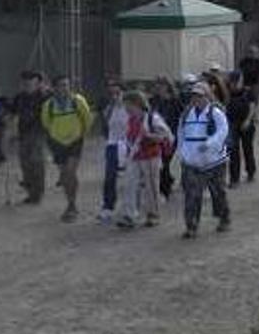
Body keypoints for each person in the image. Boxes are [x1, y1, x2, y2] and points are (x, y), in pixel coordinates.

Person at [177, 83, 231, 239]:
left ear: (207, 96)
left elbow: (223, 131)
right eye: (194, 95)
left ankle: (223, 218)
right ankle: (191, 225)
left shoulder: (216, 113)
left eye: (200, 96)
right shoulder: (186, 114)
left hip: (214, 161)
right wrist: (182, 153)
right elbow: (180, 133)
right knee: (192, 195)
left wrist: (210, 144)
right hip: (191, 162)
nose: (197, 99)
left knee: (218, 192)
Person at [116, 91, 174, 229]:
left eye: (128, 105)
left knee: (151, 186)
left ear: (137, 104)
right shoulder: (131, 119)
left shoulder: (152, 118)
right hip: (134, 156)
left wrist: (149, 136)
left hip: (150, 156)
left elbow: (166, 136)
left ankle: (153, 214)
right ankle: (129, 215)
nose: (126, 108)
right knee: (130, 185)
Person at [40, 76, 92, 223]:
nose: (65, 89)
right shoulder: (49, 105)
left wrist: (80, 135)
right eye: (61, 85)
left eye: (67, 85)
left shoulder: (78, 101)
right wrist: (56, 136)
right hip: (57, 142)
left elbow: (87, 119)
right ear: (55, 88)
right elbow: (46, 123)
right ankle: (70, 202)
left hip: (75, 141)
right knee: (65, 174)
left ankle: (72, 205)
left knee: (70, 172)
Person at [11, 71, 50, 204]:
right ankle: (31, 191)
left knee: (36, 162)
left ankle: (37, 193)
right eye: (25, 82)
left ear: (38, 83)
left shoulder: (44, 97)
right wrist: (11, 132)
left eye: (30, 82)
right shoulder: (19, 97)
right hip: (23, 133)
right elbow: (13, 113)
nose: (27, 84)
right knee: (25, 163)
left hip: (38, 133)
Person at [97, 79, 129, 224]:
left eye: (118, 93)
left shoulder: (129, 108)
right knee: (110, 177)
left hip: (128, 145)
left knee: (131, 178)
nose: (115, 96)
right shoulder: (109, 109)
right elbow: (106, 126)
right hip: (112, 144)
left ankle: (130, 207)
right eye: (112, 93)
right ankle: (108, 206)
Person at [149, 76, 183, 199]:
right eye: (157, 85)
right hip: (157, 135)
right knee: (161, 163)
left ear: (167, 87)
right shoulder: (153, 101)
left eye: (162, 85)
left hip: (171, 136)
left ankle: (165, 190)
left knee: (166, 161)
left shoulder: (175, 101)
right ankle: (166, 183)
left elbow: (182, 116)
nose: (159, 88)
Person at [225, 71, 257, 187]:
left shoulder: (248, 92)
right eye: (232, 82)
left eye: (236, 82)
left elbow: (252, 107)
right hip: (233, 123)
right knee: (233, 151)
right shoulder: (228, 92)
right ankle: (234, 178)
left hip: (246, 123)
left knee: (247, 148)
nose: (233, 85)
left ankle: (250, 171)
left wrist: (248, 120)